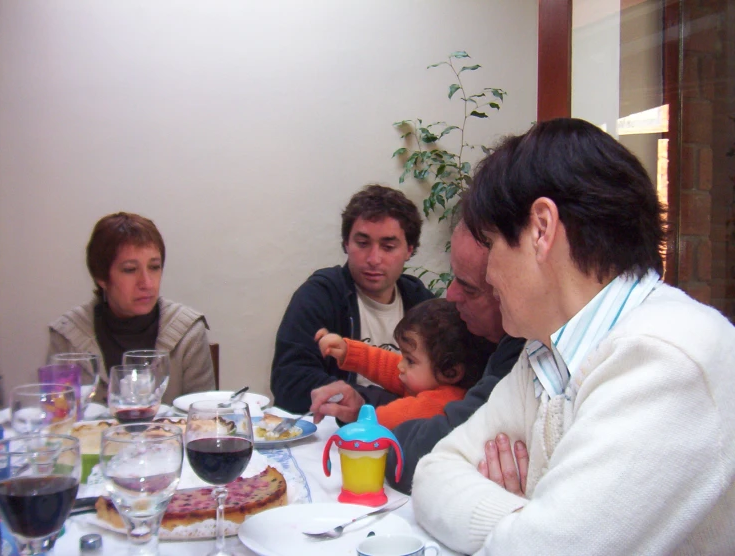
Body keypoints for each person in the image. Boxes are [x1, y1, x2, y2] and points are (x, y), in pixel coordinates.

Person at [412, 118, 735, 555]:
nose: (487, 275)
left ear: (542, 229)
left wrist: (524, 523)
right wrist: (522, 516)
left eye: (492, 245)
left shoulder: (668, 357)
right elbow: (433, 472)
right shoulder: (544, 356)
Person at [382, 222, 526, 493]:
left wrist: (371, 427)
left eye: (469, 288)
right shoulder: (492, 337)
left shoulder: (522, 350)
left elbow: (425, 455)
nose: (450, 295)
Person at [270, 184, 434, 413]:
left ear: (409, 250)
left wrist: (367, 402)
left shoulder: (422, 303)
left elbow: (446, 385)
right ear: (346, 243)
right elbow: (289, 384)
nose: (374, 259)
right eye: (363, 243)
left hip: (403, 432)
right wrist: (366, 402)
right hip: (333, 435)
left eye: (388, 246)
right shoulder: (319, 296)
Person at [47, 212, 215, 405]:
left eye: (154, 267)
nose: (147, 283)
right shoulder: (67, 335)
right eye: (130, 270)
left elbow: (204, 421)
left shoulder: (188, 331)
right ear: (101, 277)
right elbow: (57, 418)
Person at [315, 298, 491, 429]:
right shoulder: (431, 380)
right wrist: (349, 352)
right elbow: (386, 365)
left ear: (450, 371)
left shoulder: (438, 403)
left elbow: (382, 420)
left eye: (410, 360)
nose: (401, 365)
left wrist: (360, 416)